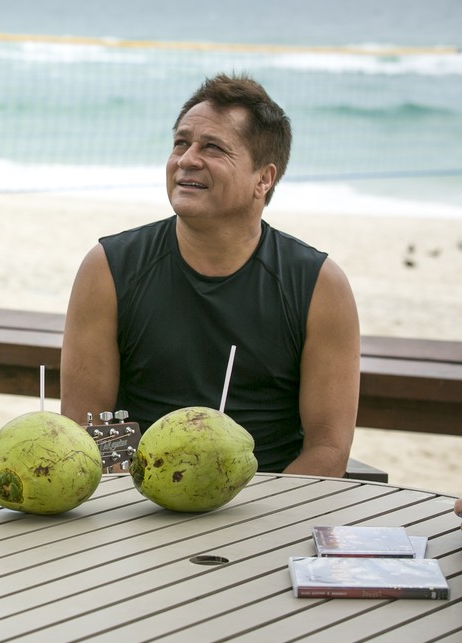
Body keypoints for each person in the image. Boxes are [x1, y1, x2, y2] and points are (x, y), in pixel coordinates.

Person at [60, 73, 360, 477]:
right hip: (137, 503)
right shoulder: (108, 267)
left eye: (212, 147)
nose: (186, 159)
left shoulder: (320, 284)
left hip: (265, 509)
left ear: (264, 178)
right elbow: (87, 430)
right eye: (181, 143)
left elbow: (328, 448)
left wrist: (247, 523)